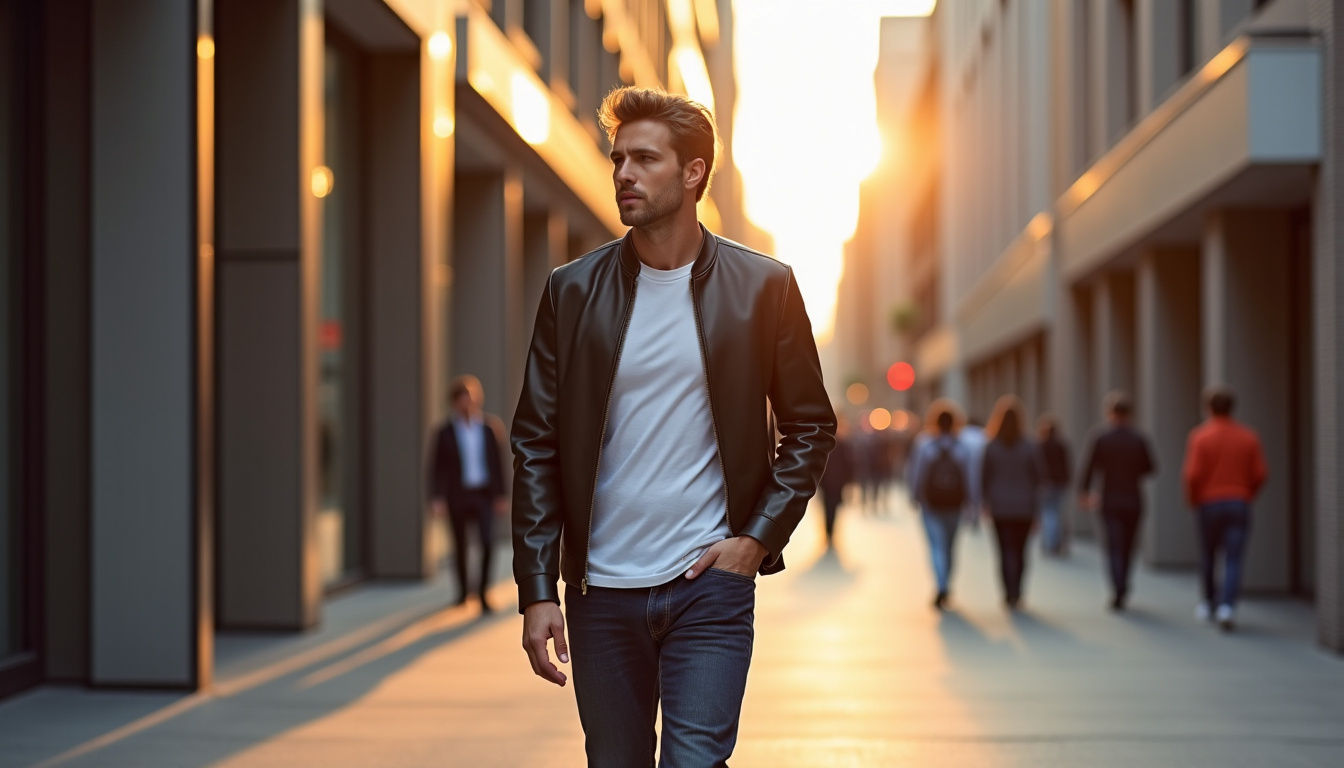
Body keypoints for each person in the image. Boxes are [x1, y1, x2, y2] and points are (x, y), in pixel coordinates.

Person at [510, 86, 836, 767]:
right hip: (601, 593)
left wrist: (756, 539)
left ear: (693, 172)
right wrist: (538, 588)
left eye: (644, 159)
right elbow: (536, 443)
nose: (624, 173)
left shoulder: (764, 287)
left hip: (709, 588)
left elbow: (809, 424)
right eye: (618, 159)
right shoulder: (572, 291)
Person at [1182, 386, 1267, 632]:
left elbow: (1192, 475)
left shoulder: (1200, 437)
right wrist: (1247, 494)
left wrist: (1193, 500)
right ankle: (1227, 606)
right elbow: (1260, 473)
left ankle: (1209, 602)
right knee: (1234, 557)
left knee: (1208, 554)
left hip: (1208, 503)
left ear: (1208, 408)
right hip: (1238, 501)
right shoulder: (1248, 437)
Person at [429, 375, 508, 612]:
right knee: (460, 546)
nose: (468, 403)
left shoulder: (489, 428)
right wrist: (437, 498)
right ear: (454, 402)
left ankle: (483, 593)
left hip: (483, 494)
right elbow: (437, 467)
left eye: (471, 398)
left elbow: (498, 463)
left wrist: (501, 494)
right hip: (457, 495)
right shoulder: (444, 432)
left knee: (487, 542)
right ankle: (463, 593)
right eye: (463, 398)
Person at [1078, 392, 1155, 611]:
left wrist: (1084, 492)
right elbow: (1150, 467)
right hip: (1133, 499)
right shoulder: (1138, 438)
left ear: (1110, 413)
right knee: (1128, 545)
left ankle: (1117, 587)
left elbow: (1089, 467)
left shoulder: (1101, 438)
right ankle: (1124, 583)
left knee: (1113, 545)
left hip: (1109, 499)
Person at [906, 399, 977, 609]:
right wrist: (972, 502)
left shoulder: (925, 444)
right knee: (950, 546)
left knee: (936, 546)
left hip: (931, 505)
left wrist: (914, 496)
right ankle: (947, 584)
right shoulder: (962, 447)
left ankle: (941, 584)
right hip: (955, 505)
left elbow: (916, 473)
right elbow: (970, 477)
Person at [981, 396, 1043, 609]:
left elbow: (984, 477)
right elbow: (1039, 478)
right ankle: (1017, 591)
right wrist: (1037, 509)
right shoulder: (1029, 446)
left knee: (1004, 550)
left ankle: (1008, 591)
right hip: (1024, 507)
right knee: (1020, 550)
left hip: (1000, 507)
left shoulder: (992, 446)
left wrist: (985, 503)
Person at [1036, 414, 1072, 556]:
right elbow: (1066, 465)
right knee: (1056, 512)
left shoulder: (1041, 445)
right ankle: (1055, 541)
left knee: (1048, 513)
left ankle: (1050, 542)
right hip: (1059, 483)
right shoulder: (1061, 445)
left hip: (1046, 483)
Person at [818, 414, 855, 548]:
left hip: (836, 483)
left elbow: (849, 464)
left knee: (831, 508)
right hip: (829, 483)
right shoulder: (828, 444)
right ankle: (829, 532)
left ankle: (830, 532)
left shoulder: (841, 444)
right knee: (828, 509)